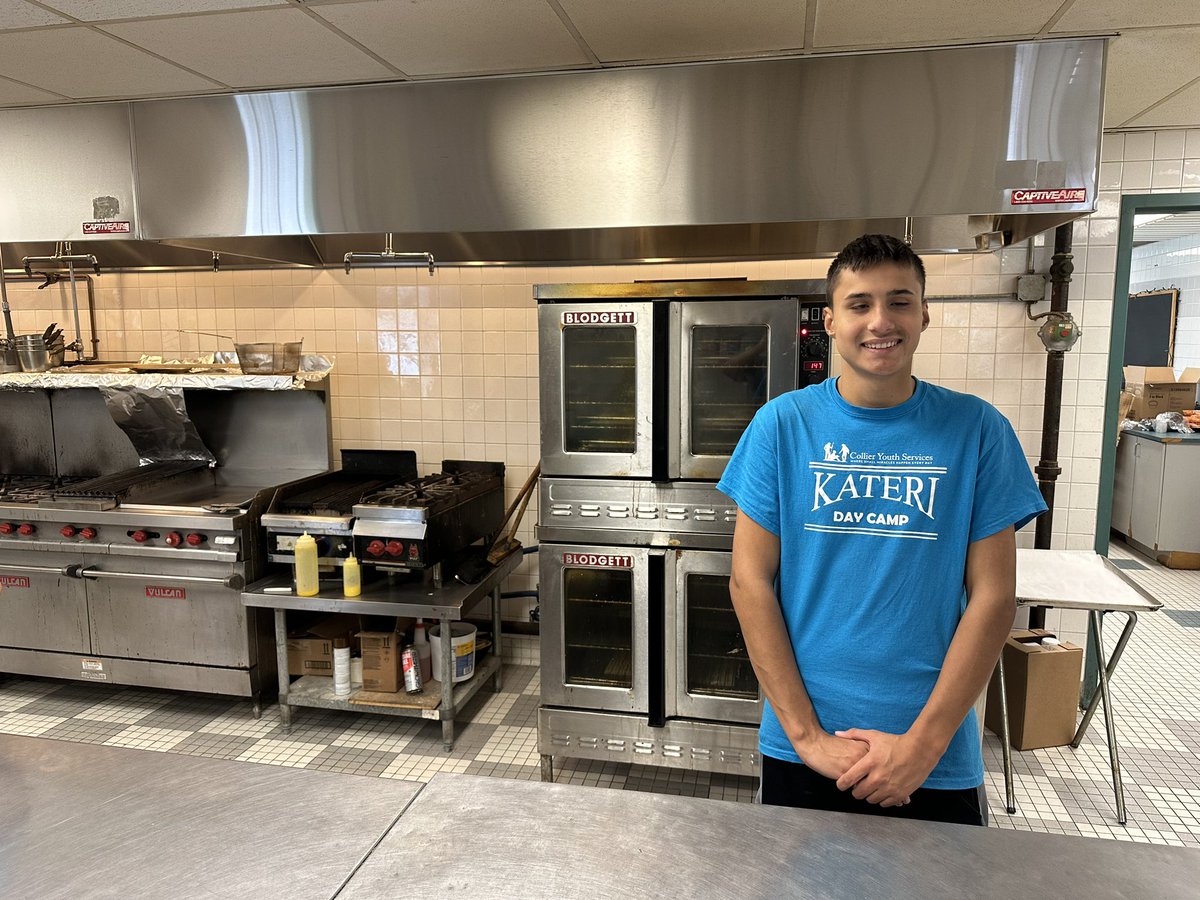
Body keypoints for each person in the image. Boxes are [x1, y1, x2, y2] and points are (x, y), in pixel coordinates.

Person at [717, 234, 1046, 827]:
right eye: (860, 303)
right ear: (830, 320)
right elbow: (749, 583)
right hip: (806, 748)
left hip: (933, 754)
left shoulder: (977, 430)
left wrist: (922, 746)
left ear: (924, 313)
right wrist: (809, 737)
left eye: (899, 301)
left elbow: (995, 596)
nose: (880, 322)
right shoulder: (782, 426)